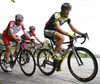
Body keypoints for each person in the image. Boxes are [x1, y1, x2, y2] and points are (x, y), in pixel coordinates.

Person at [44, 2, 87, 70]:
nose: (68, 11)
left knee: (60, 48)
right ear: (62, 9)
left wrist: (82, 33)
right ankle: (54, 55)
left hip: (54, 32)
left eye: (69, 10)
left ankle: (56, 65)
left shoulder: (67, 18)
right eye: (66, 9)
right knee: (62, 37)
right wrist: (69, 34)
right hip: (48, 30)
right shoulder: (57, 15)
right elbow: (58, 28)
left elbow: (73, 28)